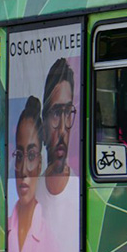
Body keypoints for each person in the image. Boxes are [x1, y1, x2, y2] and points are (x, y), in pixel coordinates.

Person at [8, 97, 52, 252]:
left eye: (32, 155)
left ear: (40, 164)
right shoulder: (2, 231)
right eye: (19, 155)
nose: (24, 169)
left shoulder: (52, 245)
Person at [41, 57, 76, 197]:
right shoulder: (33, 193)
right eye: (56, 113)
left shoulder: (78, 188)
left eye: (67, 112)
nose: (62, 130)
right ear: (44, 124)